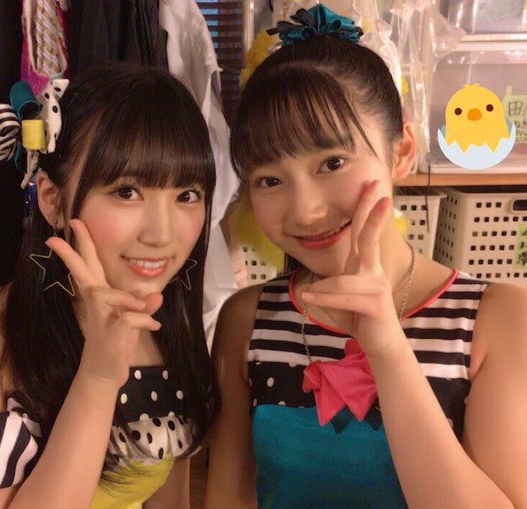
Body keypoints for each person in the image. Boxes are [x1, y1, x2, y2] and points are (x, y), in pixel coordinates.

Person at [204, 5, 527, 509]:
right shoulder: (247, 319)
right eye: (269, 179)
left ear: (401, 152)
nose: (306, 210)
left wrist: (388, 349)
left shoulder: (497, 318)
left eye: (332, 162)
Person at [0, 63, 218, 509]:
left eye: (186, 195)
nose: (162, 234)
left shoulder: (169, 325)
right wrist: (97, 378)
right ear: (52, 199)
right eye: (126, 191)